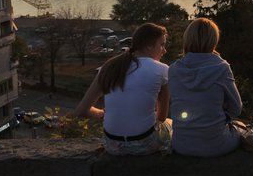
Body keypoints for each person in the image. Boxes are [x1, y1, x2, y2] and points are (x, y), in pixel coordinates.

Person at [72, 23, 172, 155]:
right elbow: (161, 117)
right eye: (162, 45)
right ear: (148, 46)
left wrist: (103, 114)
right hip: (144, 143)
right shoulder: (162, 69)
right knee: (171, 124)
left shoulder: (109, 67)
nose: (164, 50)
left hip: (112, 145)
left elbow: (81, 110)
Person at [169, 18, 242, 157]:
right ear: (214, 40)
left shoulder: (173, 69)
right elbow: (236, 109)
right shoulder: (221, 68)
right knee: (241, 128)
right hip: (216, 145)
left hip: (181, 145)